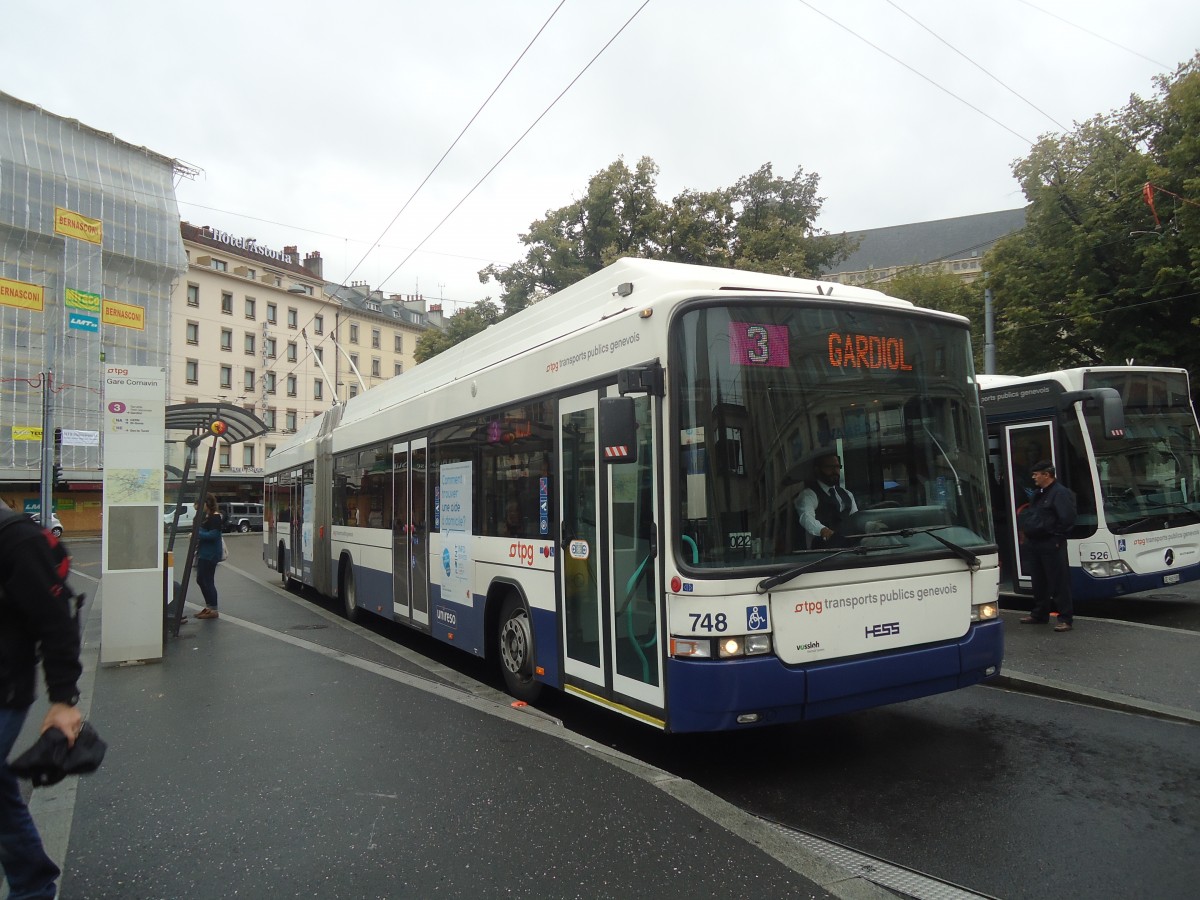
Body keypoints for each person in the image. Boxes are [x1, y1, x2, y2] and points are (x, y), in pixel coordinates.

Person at [0, 498, 83, 898]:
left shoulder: (16, 538)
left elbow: (56, 620)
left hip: (5, 689)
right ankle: (32, 883)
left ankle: (32, 885)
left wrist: (63, 700)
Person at [1019, 459, 1077, 632]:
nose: (1033, 477)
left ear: (1047, 475)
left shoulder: (1060, 493)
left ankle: (1065, 618)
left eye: (1036, 474)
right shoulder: (1039, 493)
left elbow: (1067, 519)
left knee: (1059, 582)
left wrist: (1057, 538)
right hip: (1035, 543)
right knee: (1039, 581)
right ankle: (1039, 614)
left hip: (1052, 543)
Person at [795, 452, 859, 548]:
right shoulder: (809, 494)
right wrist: (823, 530)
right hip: (824, 552)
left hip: (851, 548)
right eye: (829, 467)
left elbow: (856, 520)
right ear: (817, 470)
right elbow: (806, 517)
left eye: (837, 467)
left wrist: (869, 525)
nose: (835, 471)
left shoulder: (847, 494)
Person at [195, 494, 224, 620]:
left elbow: (213, 535)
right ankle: (209, 606)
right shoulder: (207, 516)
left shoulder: (215, 517)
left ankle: (213, 608)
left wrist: (198, 533)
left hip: (210, 554)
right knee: (202, 579)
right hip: (205, 552)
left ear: (207, 504)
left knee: (206, 580)